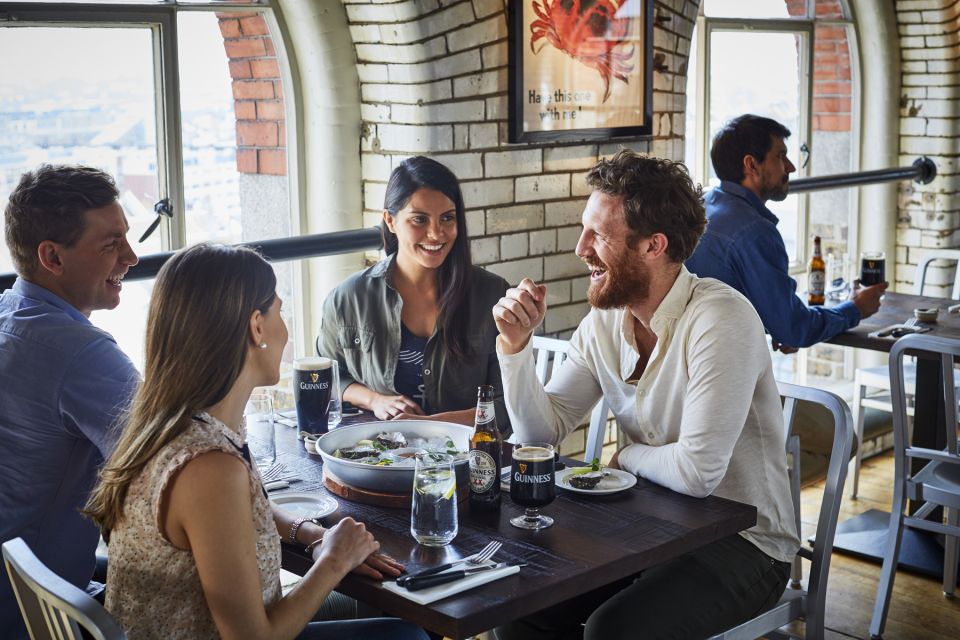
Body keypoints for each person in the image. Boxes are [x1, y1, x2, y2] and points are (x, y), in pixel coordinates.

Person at [492, 150, 800, 640]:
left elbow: (699, 474)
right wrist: (515, 347)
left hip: (746, 544)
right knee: (519, 606)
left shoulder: (721, 319)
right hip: (647, 526)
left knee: (612, 631)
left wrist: (629, 455)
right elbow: (539, 436)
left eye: (598, 235)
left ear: (654, 245)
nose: (580, 248)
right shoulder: (604, 324)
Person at [84, 243, 427, 640]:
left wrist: (313, 535)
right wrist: (334, 560)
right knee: (408, 635)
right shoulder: (208, 469)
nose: (285, 330)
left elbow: (237, 516)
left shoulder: (173, 426)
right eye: (280, 312)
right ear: (256, 327)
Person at [0, 165, 140, 639]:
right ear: (52, 258)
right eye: (110, 245)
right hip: (44, 617)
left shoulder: (7, 314)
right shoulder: (79, 354)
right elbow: (179, 458)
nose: (132, 257)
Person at [319, 156, 511, 430]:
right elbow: (327, 377)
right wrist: (375, 400)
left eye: (447, 218)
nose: (436, 233)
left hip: (468, 463)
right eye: (419, 219)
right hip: (379, 459)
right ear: (391, 221)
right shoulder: (347, 299)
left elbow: (507, 408)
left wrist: (426, 425)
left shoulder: (494, 295)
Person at [685, 114, 887, 353]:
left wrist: (776, 324)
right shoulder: (755, 232)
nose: (790, 166)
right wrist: (856, 308)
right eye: (780, 156)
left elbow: (733, 292)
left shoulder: (703, 203)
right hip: (723, 369)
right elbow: (795, 328)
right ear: (751, 165)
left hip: (688, 361)